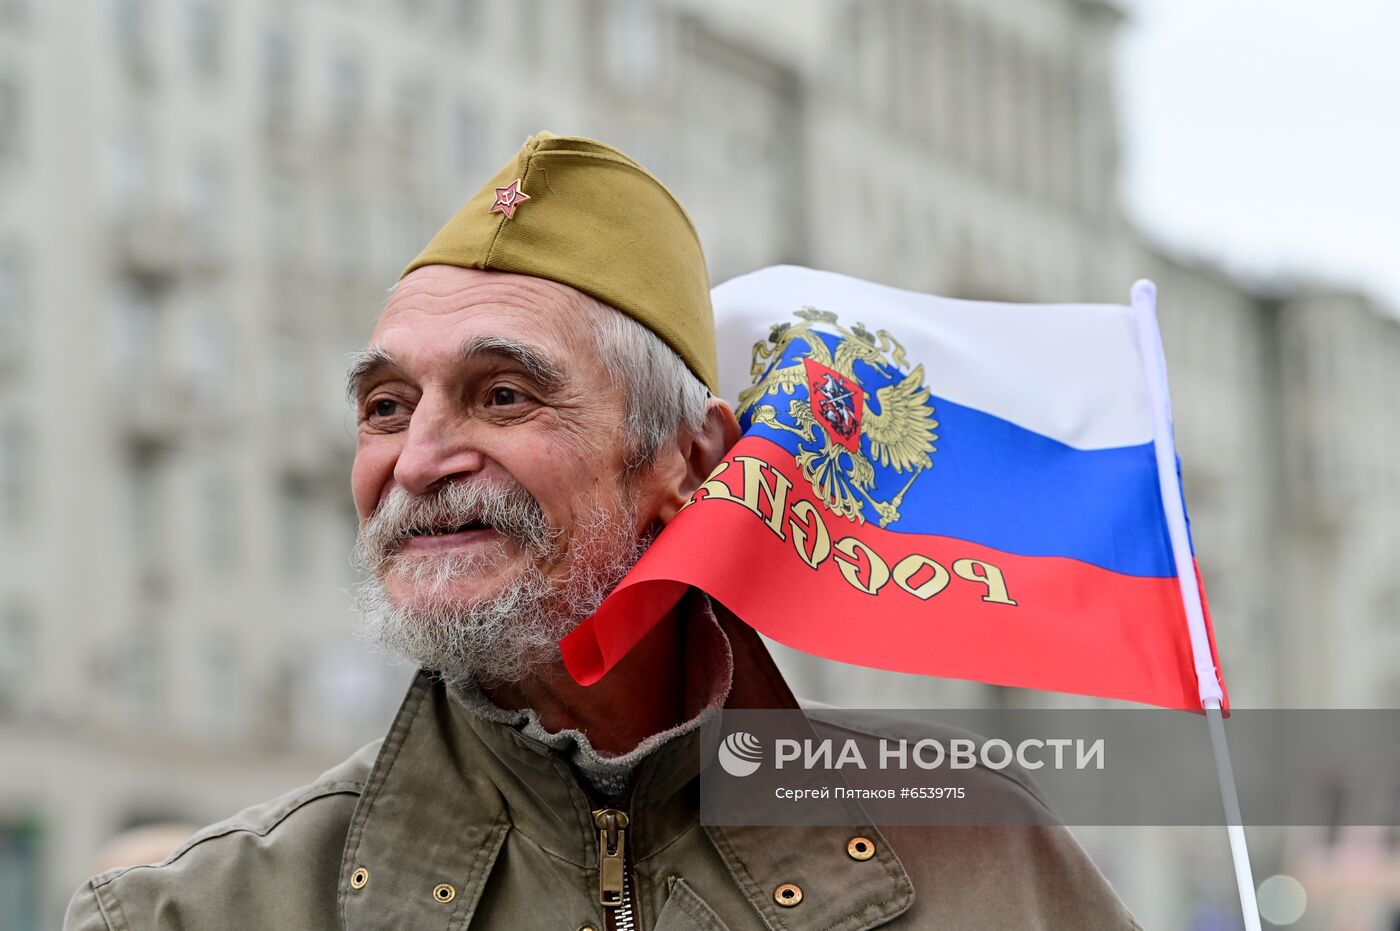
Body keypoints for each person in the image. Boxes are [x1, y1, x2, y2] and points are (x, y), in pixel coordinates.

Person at [65, 133, 1139, 929]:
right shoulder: (204, 910)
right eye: (387, 407)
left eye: (500, 397)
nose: (419, 457)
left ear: (689, 463)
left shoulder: (982, 860)